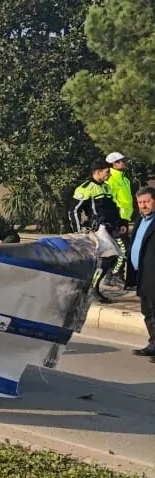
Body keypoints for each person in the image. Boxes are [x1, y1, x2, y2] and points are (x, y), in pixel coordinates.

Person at [73, 158, 124, 304]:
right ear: (98, 172)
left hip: (109, 228)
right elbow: (74, 210)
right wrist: (79, 231)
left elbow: (112, 209)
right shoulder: (86, 188)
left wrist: (120, 223)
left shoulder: (106, 187)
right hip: (96, 229)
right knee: (110, 257)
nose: (109, 174)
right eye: (107, 172)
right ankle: (93, 289)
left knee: (110, 258)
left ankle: (91, 287)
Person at [127, 187, 155, 359]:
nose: (143, 206)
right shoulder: (140, 220)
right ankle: (153, 344)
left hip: (153, 274)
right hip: (142, 273)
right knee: (148, 311)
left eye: (147, 201)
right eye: (140, 203)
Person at [105, 152, 136, 288]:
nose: (125, 162)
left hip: (124, 219)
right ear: (114, 163)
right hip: (117, 221)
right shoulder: (111, 179)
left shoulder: (125, 178)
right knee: (123, 249)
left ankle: (113, 275)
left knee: (122, 248)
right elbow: (111, 201)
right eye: (122, 161)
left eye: (124, 160)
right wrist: (117, 219)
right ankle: (114, 276)